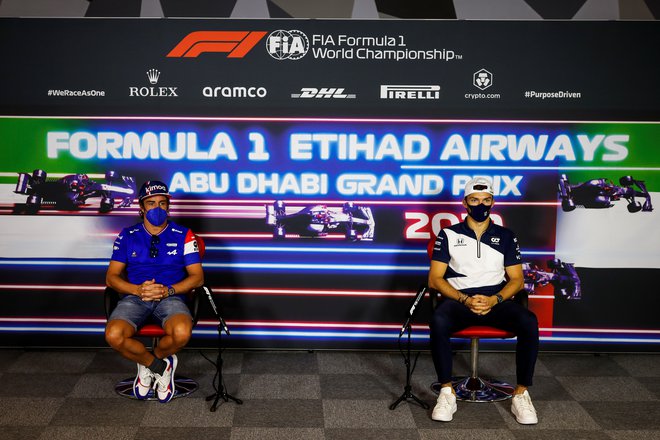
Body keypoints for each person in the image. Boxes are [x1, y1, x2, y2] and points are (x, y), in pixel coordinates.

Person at [428, 176, 539, 424]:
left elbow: (517, 280)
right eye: (475, 200)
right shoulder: (447, 234)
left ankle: (521, 394)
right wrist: (466, 300)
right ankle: (447, 392)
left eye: (486, 200)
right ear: (465, 203)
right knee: (438, 320)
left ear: (493, 202)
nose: (481, 205)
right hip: (460, 300)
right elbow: (435, 280)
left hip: (496, 301)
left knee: (529, 321)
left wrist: (495, 299)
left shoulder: (507, 236)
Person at [105, 180, 204, 403]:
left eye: (162, 203)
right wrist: (137, 290)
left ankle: (152, 362)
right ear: (141, 208)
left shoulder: (184, 234)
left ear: (168, 206)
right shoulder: (127, 234)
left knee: (182, 333)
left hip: (170, 297)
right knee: (113, 335)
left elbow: (198, 277)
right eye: (151, 203)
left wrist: (168, 290)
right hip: (135, 298)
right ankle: (159, 367)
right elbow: (111, 277)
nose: (157, 208)